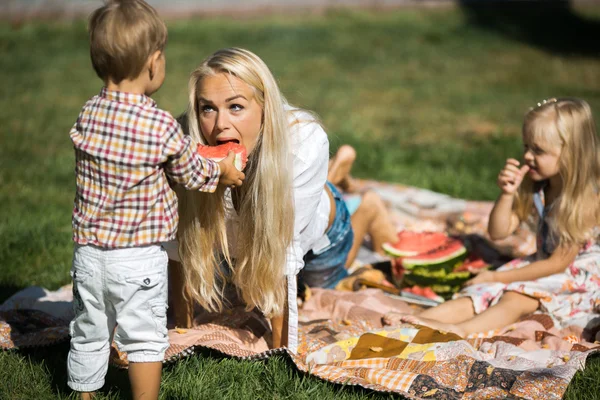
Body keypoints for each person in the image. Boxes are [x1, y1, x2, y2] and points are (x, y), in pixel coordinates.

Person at [67, 2, 244, 398]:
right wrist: (225, 173)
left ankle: (83, 395)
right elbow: (192, 174)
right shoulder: (158, 124)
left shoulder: (88, 114)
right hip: (137, 256)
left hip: (88, 255)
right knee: (144, 336)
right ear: (152, 63)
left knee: (89, 331)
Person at [168, 47, 358, 353]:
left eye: (236, 107)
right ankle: (339, 171)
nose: (220, 125)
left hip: (319, 237)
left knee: (323, 291)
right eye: (208, 108)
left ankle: (366, 206)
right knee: (238, 290)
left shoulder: (304, 141)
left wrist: (280, 349)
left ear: (265, 106)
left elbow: (284, 248)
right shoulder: (182, 146)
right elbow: (177, 243)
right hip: (239, 247)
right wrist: (182, 331)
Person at [384, 98, 600, 337]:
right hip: (542, 262)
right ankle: (418, 319)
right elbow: (499, 231)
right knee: (481, 289)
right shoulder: (539, 185)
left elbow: (558, 263)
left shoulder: (585, 201)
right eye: (526, 146)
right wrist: (507, 194)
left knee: (515, 296)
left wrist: (498, 275)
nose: (527, 156)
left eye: (538, 150)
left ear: (571, 153)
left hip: (574, 277)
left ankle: (459, 330)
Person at [327, 144, 398, 267]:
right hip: (325, 268)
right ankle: (395, 260)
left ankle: (341, 181)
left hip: (312, 260)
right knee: (371, 201)